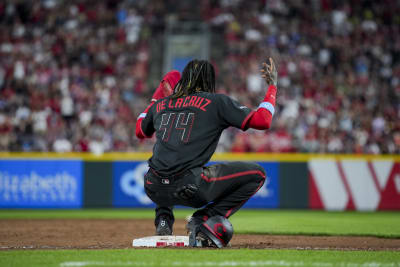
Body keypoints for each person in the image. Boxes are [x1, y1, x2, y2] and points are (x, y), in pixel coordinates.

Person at [135, 58, 278, 247]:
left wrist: (156, 98)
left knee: (167, 156)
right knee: (257, 174)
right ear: (211, 80)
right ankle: (203, 218)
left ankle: (163, 220)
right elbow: (263, 120)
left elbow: (140, 131)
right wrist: (272, 88)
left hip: (152, 186)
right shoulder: (216, 101)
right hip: (191, 188)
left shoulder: (161, 104)